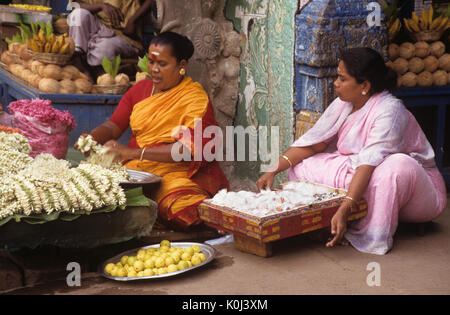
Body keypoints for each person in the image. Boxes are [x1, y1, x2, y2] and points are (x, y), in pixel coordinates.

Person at [256, 47, 447, 255]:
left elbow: (368, 163)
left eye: (342, 78)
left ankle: (369, 230)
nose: (335, 83)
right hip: (362, 172)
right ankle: (331, 218)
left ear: (364, 85)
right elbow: (314, 144)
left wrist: (345, 207)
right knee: (302, 166)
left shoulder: (390, 110)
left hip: (416, 191)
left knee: (396, 165)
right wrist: (272, 170)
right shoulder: (343, 103)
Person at [85, 31, 229, 231]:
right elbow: (113, 126)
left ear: (182, 66)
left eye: (162, 64)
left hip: (179, 173)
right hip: (137, 171)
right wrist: (91, 138)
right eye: (152, 63)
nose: (154, 70)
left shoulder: (195, 99)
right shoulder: (140, 90)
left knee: (182, 208)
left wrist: (132, 152)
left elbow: (187, 150)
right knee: (89, 192)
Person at [68, 0, 154, 78]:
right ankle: (77, 58)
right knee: (78, 14)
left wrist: (133, 20)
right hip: (98, 26)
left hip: (124, 34)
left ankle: (97, 76)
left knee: (104, 47)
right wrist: (102, 6)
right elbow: (73, 5)